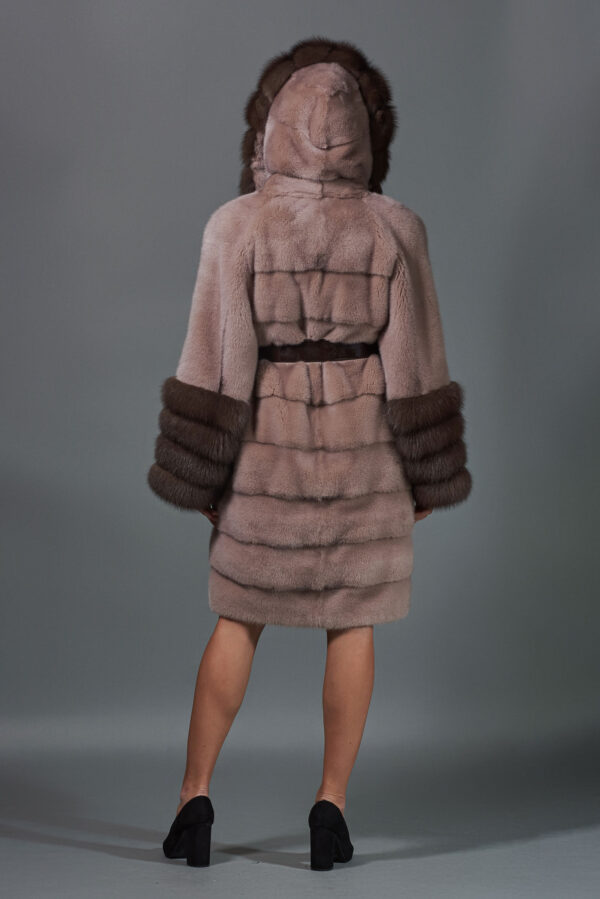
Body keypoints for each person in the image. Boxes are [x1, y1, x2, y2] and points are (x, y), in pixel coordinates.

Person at [148, 36, 472, 871]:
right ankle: (330, 806)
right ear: (367, 135)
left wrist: (202, 473)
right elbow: (417, 364)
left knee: (238, 618)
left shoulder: (237, 225)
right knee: (353, 623)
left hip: (267, 456)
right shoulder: (396, 229)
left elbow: (216, 362)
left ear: (270, 129)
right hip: (367, 457)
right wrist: (428, 471)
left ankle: (194, 798)